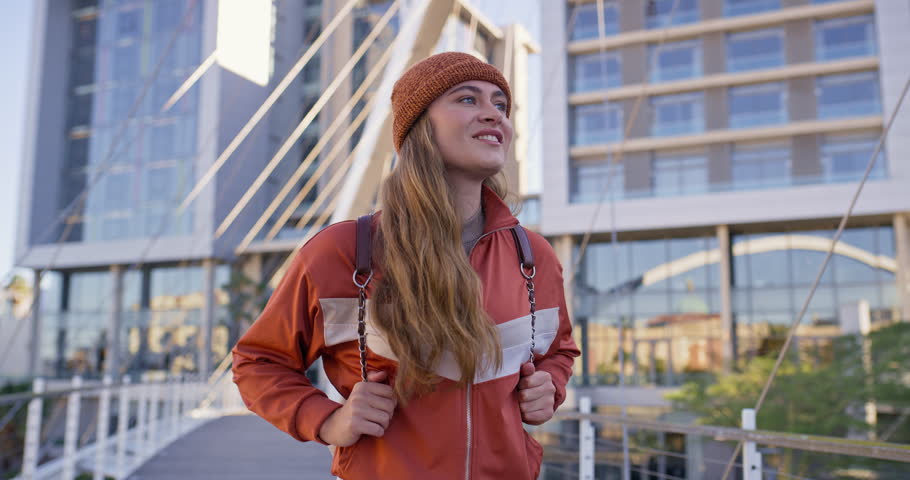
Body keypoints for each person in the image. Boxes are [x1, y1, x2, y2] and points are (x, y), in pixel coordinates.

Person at [232, 52, 580, 479]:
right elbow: (258, 361)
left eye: (501, 105)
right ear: (418, 127)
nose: (494, 114)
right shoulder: (342, 253)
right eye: (468, 99)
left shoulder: (534, 258)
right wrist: (326, 420)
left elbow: (559, 350)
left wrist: (550, 386)